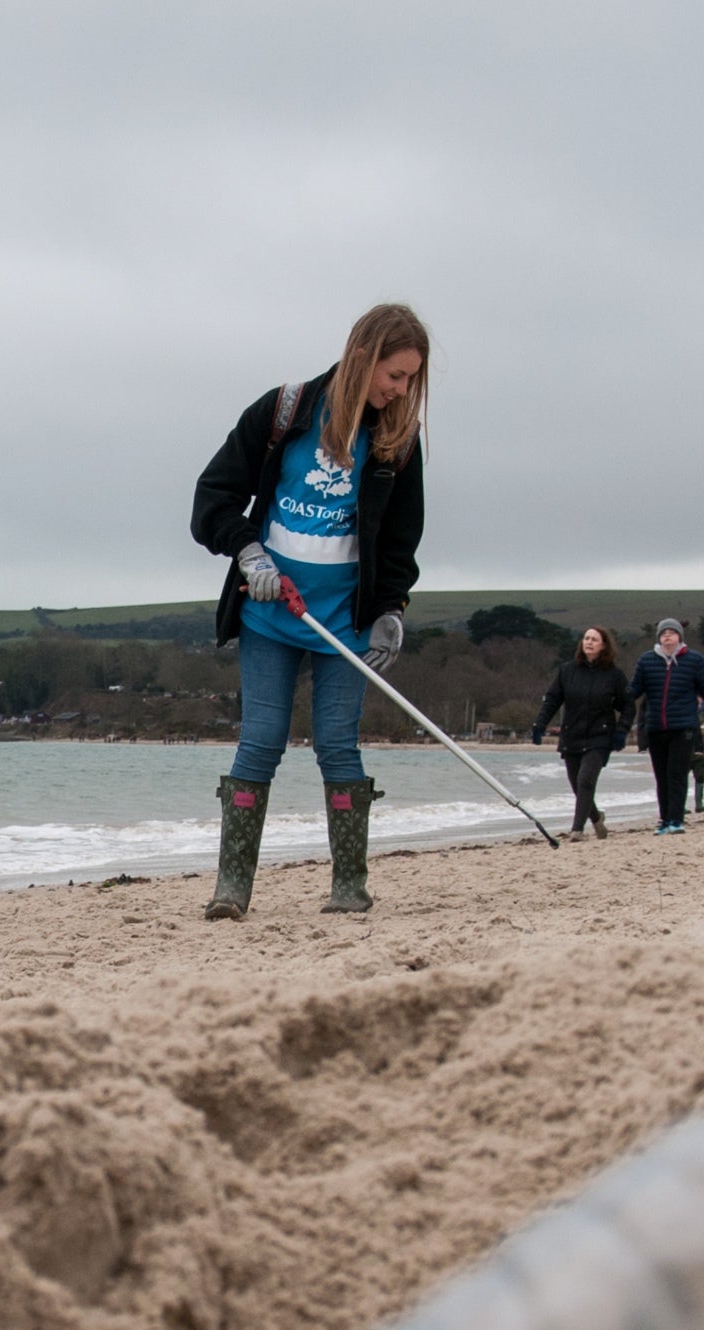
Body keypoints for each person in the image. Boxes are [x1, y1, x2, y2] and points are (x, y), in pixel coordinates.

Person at [190, 303, 429, 918]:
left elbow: (401, 541)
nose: (401, 390)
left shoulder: (397, 442)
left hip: (346, 625)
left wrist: (391, 610)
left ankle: (349, 887)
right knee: (261, 741)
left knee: (338, 745)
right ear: (361, 356)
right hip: (269, 615)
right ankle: (232, 889)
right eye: (394, 375)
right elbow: (213, 498)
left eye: (410, 380)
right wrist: (248, 553)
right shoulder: (285, 412)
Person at [530, 626, 633, 839]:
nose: (589, 642)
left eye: (594, 639)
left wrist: (621, 731)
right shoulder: (567, 671)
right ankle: (596, 818)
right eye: (586, 638)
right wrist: (540, 724)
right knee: (578, 785)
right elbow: (552, 700)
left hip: (600, 736)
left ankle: (577, 829)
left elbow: (629, 706)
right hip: (572, 735)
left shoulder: (614, 675)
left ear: (604, 645)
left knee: (586, 780)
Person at [629, 619, 704, 834]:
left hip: (683, 727)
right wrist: (614, 699)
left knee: (677, 774)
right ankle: (664, 819)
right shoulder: (647, 660)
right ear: (658, 637)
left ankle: (676, 820)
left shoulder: (694, 660)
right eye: (664, 633)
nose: (668, 636)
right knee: (661, 776)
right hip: (656, 727)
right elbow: (634, 691)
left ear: (680, 637)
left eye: (672, 633)